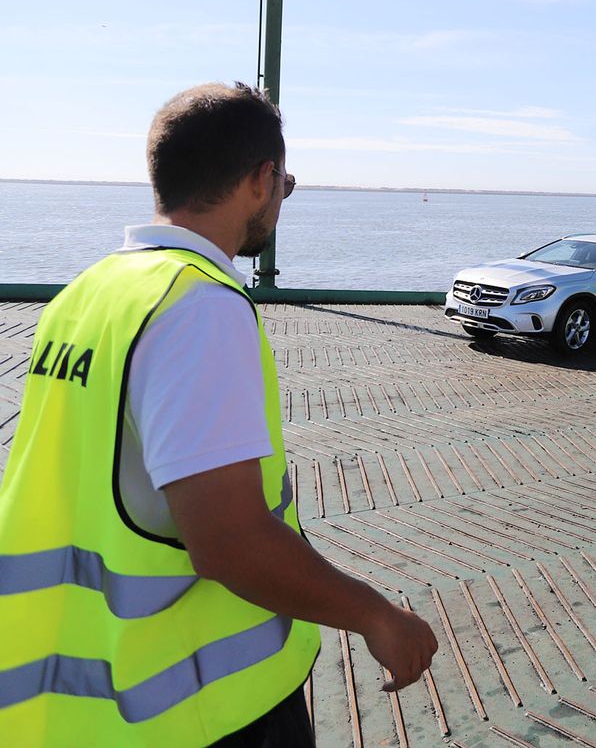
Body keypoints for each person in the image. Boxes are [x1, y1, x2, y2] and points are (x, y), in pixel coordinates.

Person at [0, 83, 438, 746]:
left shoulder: (86, 293)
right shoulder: (199, 306)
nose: (280, 199)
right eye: (284, 184)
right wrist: (378, 617)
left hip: (83, 703)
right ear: (260, 182)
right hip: (203, 711)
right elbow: (228, 540)